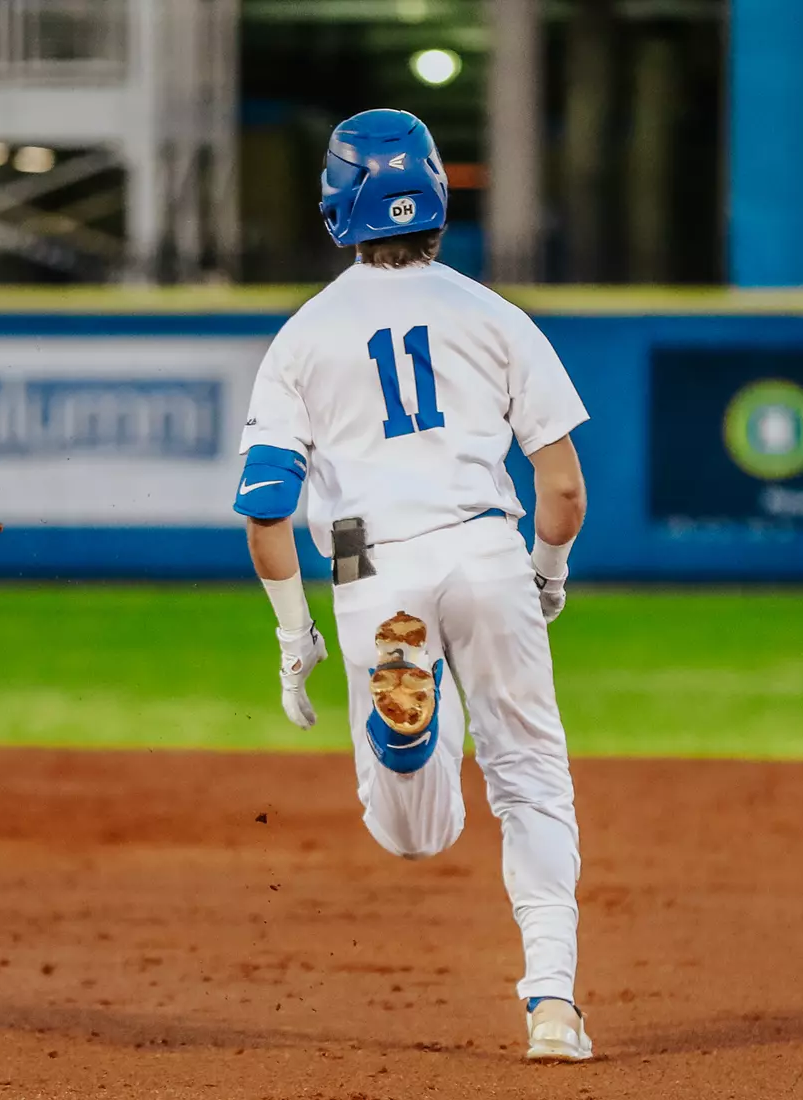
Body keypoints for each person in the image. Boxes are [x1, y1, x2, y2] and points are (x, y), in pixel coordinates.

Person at [233, 108, 593, 1062]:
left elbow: (266, 506)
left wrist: (290, 635)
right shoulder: (495, 315)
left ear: (334, 207)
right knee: (530, 780)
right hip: (486, 550)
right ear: (435, 195)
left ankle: (409, 736)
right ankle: (552, 1005)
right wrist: (547, 576)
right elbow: (561, 489)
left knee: (411, 838)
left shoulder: (304, 337)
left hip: (369, 566)